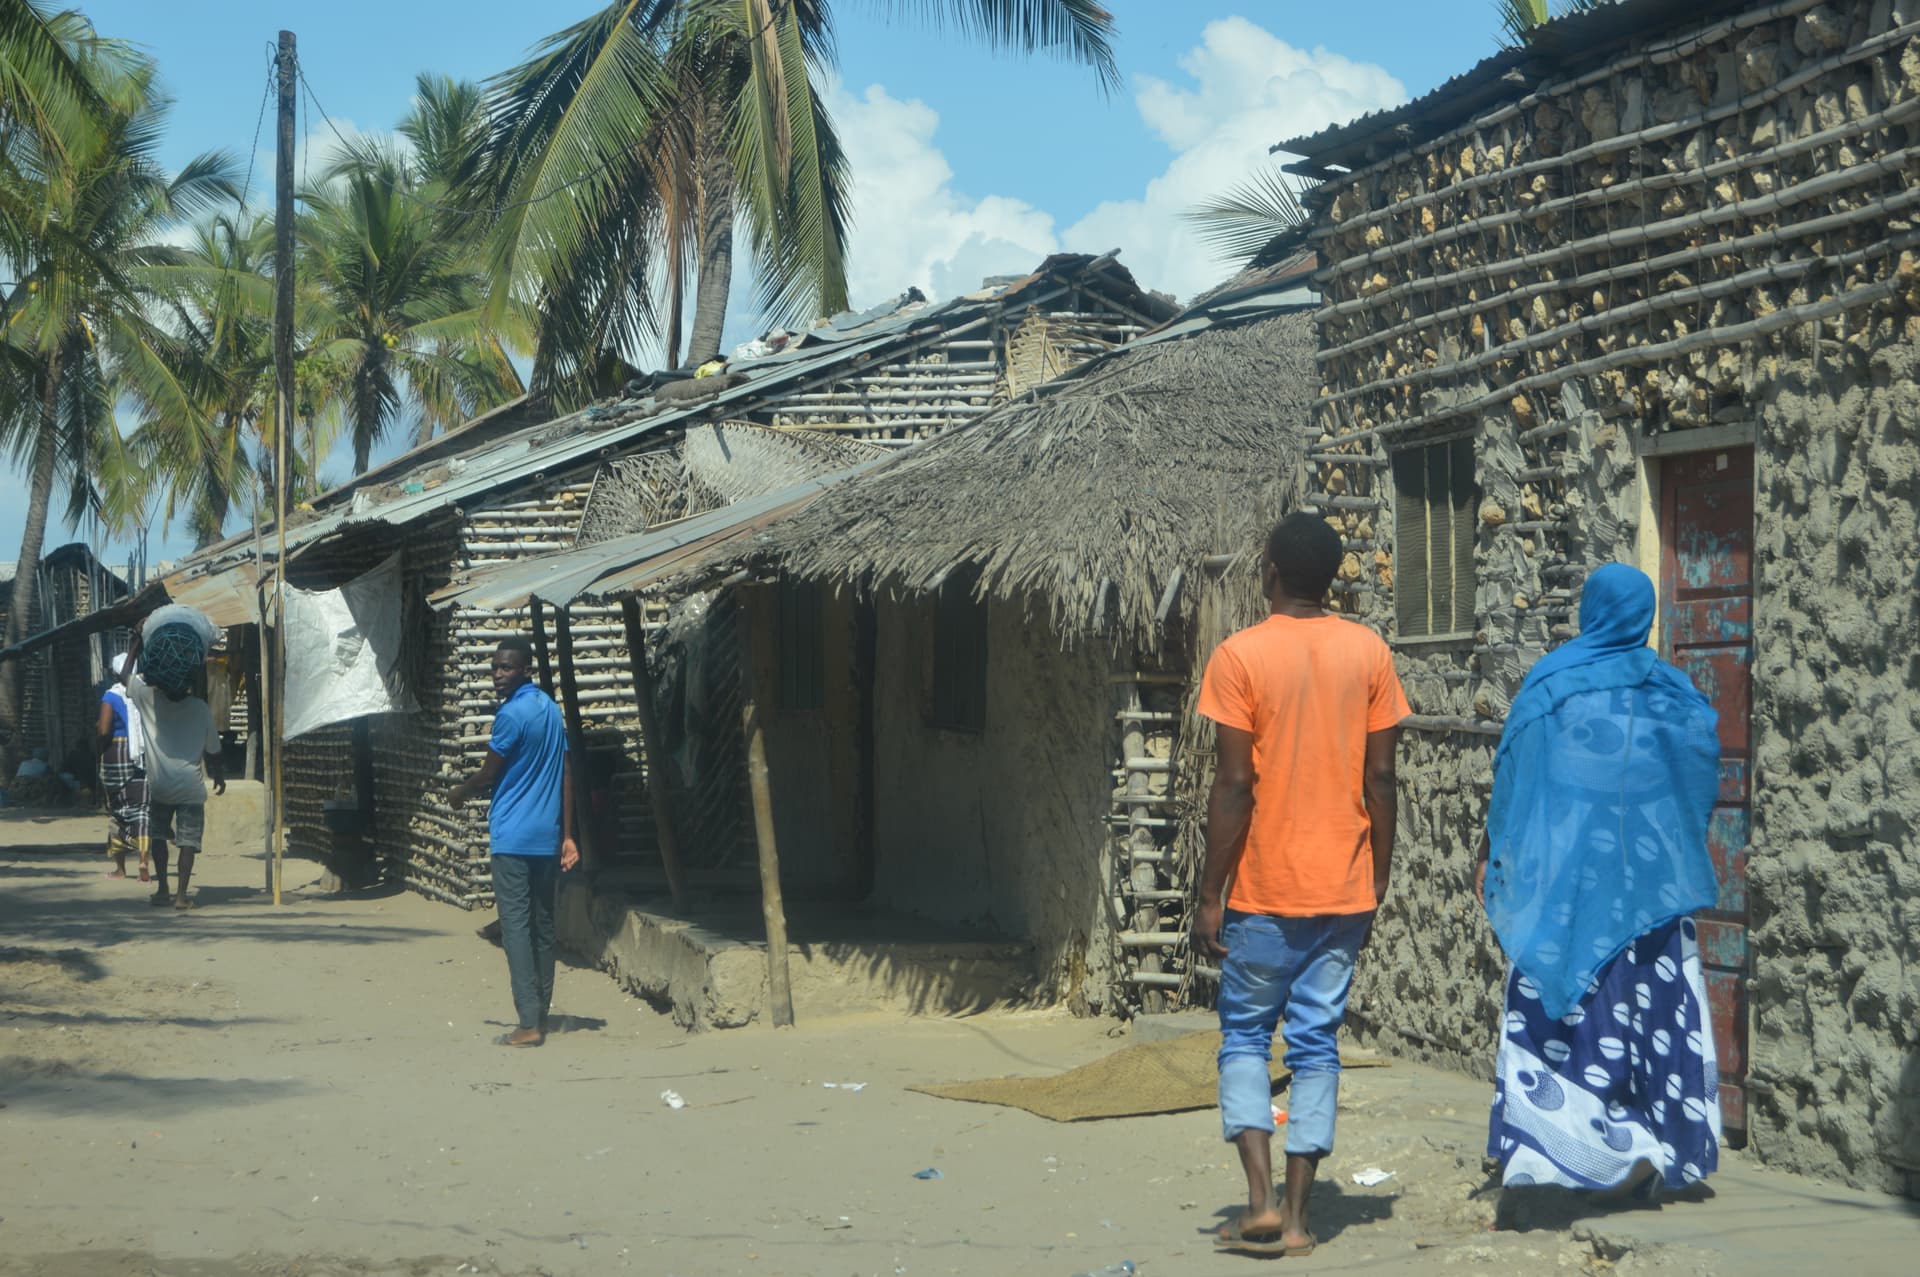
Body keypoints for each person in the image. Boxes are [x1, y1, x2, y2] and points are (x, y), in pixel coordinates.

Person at [1192, 512, 1410, 1257]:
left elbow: (1234, 785)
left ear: (1272, 573)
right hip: (1343, 892)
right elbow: (1382, 778)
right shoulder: (1369, 652)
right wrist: (1377, 874)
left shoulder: (1239, 657)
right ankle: (1295, 1220)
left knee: (1245, 1038)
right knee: (1316, 1046)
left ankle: (1256, 1201)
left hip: (1262, 894)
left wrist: (1210, 893)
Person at [1478, 562, 1723, 1201]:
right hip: (1651, 896)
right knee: (1653, 1016)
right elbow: (1698, 779)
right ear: (1644, 615)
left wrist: (1495, 854)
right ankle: (1652, 1145)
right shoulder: (1675, 694)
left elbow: (1515, 782)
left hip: (1564, 893)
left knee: (1560, 1013)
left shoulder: (1551, 685)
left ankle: (1557, 1154)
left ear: (1590, 610)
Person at [451, 637, 579, 1047]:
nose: (498, 675)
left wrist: (459, 793)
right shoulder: (550, 710)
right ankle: (540, 1013)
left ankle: (528, 1022)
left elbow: (489, 774)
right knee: (543, 925)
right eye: (495, 668)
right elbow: (566, 772)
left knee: (516, 928)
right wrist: (567, 834)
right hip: (546, 837)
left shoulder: (510, 715)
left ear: (526, 670)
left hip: (512, 837)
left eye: (506, 668)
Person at [123, 631, 226, 909]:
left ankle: (162, 890)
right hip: (190, 788)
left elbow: (124, 677)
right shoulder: (200, 708)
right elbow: (214, 751)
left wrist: (136, 643)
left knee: (158, 836)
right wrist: (219, 776)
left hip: (160, 787)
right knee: (187, 842)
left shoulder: (149, 699)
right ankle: (181, 896)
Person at [97, 653, 150, 881]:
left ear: (115, 674)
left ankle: (120, 869)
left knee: (117, 810)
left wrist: (98, 747)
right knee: (142, 810)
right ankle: (143, 860)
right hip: (144, 755)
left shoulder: (111, 695)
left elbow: (104, 730)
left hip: (116, 753)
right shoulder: (145, 694)